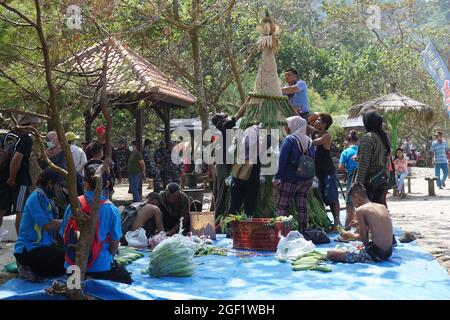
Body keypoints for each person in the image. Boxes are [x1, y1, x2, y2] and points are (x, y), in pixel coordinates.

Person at [60, 162, 131, 284]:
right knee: (125, 277)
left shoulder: (74, 204)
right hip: (99, 267)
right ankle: (92, 280)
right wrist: (110, 258)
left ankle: (79, 281)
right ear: (107, 184)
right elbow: (114, 244)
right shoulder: (111, 209)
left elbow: (63, 233)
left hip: (73, 266)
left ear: (85, 184)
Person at [14, 168, 65, 280]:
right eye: (59, 185)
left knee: (69, 256)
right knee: (66, 261)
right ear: (50, 183)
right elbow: (48, 225)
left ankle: (34, 269)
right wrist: (69, 220)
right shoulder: (38, 196)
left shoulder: (48, 199)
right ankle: (26, 267)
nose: (60, 189)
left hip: (41, 247)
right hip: (28, 250)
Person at [327, 183, 393, 263]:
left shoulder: (360, 210)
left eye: (352, 201)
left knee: (330, 254)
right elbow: (378, 227)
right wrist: (359, 223)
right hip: (389, 252)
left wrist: (351, 236)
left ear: (356, 197)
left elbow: (364, 239)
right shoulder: (381, 207)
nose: (354, 205)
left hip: (376, 254)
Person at [273, 116, 315, 231]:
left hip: (290, 178)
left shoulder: (290, 139)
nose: (287, 128)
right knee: (302, 206)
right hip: (306, 179)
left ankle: (281, 231)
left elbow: (282, 160)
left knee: (283, 204)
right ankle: (303, 230)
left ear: (293, 126)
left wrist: (277, 177)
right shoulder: (309, 141)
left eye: (288, 125)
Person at [0, 114, 36, 232]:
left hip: (2, 178)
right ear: (31, 125)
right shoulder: (26, 139)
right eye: (36, 126)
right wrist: (12, 177)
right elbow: (16, 158)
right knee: (21, 211)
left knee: (1, 208)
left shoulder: (9, 135)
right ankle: (21, 243)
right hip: (19, 180)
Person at [211, 106, 246, 216]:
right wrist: (248, 100)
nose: (227, 119)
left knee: (221, 190)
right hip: (222, 164)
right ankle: (219, 215)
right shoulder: (226, 127)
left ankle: (219, 213)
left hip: (224, 163)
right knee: (223, 189)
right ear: (221, 122)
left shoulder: (226, 130)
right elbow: (238, 114)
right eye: (225, 118)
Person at [353, 110, 391, 207]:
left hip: (370, 182)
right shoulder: (383, 137)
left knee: (369, 215)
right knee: (380, 210)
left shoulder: (368, 138)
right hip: (382, 179)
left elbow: (363, 165)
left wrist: (357, 187)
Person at [229, 124, 266, 216]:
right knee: (248, 205)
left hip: (238, 179)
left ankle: (231, 225)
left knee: (235, 204)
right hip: (250, 180)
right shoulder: (256, 156)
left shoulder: (241, 155)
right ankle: (243, 224)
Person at [312, 113, 341, 231]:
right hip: (317, 172)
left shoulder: (326, 136)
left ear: (324, 124)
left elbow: (314, 142)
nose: (315, 121)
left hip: (327, 171)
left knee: (332, 197)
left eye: (318, 120)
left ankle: (337, 223)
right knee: (321, 197)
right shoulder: (314, 132)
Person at [85, 125, 122, 197]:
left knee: (107, 195)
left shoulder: (110, 147)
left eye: (105, 133)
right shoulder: (91, 146)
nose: (104, 134)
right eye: (102, 132)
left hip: (108, 176)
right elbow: (87, 161)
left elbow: (115, 161)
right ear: (98, 133)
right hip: (93, 176)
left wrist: (118, 175)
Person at [338, 130, 359, 230]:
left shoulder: (345, 152)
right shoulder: (361, 150)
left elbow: (341, 168)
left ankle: (346, 230)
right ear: (357, 141)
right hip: (363, 178)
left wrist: (345, 171)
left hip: (352, 178)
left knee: (350, 205)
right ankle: (361, 230)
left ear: (347, 141)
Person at [66, 132, 87, 196]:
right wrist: (76, 171)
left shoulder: (63, 150)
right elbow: (84, 162)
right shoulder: (79, 150)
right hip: (78, 177)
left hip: (66, 176)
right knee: (79, 196)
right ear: (72, 141)